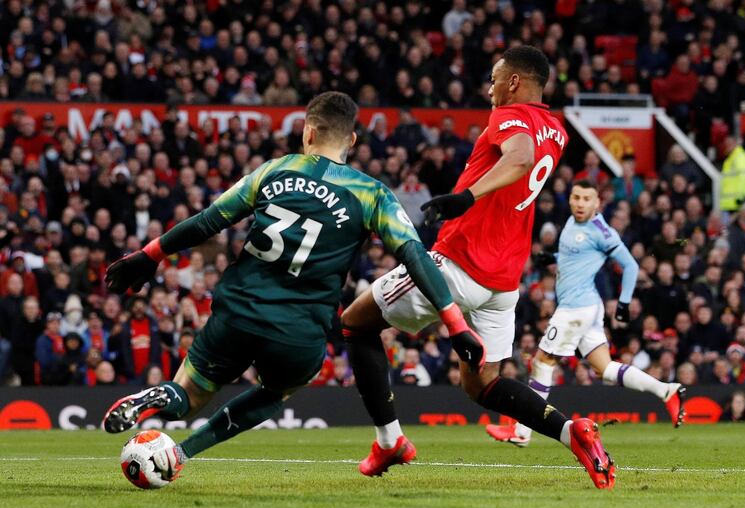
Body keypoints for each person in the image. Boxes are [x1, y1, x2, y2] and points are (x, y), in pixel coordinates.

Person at [100, 92, 483, 483]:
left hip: (236, 312)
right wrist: (456, 324)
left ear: (308, 130)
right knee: (275, 391)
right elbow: (416, 258)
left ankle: (166, 397)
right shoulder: (372, 194)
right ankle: (181, 453)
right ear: (351, 141)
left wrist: (148, 255)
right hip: (299, 331)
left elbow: (208, 221)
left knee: (190, 395)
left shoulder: (274, 170)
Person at [341, 46, 616, 490]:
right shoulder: (557, 130)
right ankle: (572, 432)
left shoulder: (510, 117)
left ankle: (389, 440)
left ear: (513, 82)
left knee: (355, 323)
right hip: (503, 282)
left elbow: (520, 156)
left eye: (494, 79)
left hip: (458, 261)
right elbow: (527, 159)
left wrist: (467, 197)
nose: (488, 88)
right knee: (483, 384)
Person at [486, 180, 685, 447]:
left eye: (586, 199)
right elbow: (579, 255)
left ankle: (522, 432)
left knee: (543, 362)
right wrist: (554, 257)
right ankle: (666, 390)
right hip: (585, 307)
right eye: (576, 197)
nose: (580, 203)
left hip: (576, 308)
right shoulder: (572, 221)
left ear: (597, 203)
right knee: (604, 368)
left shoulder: (602, 231)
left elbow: (631, 266)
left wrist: (624, 303)